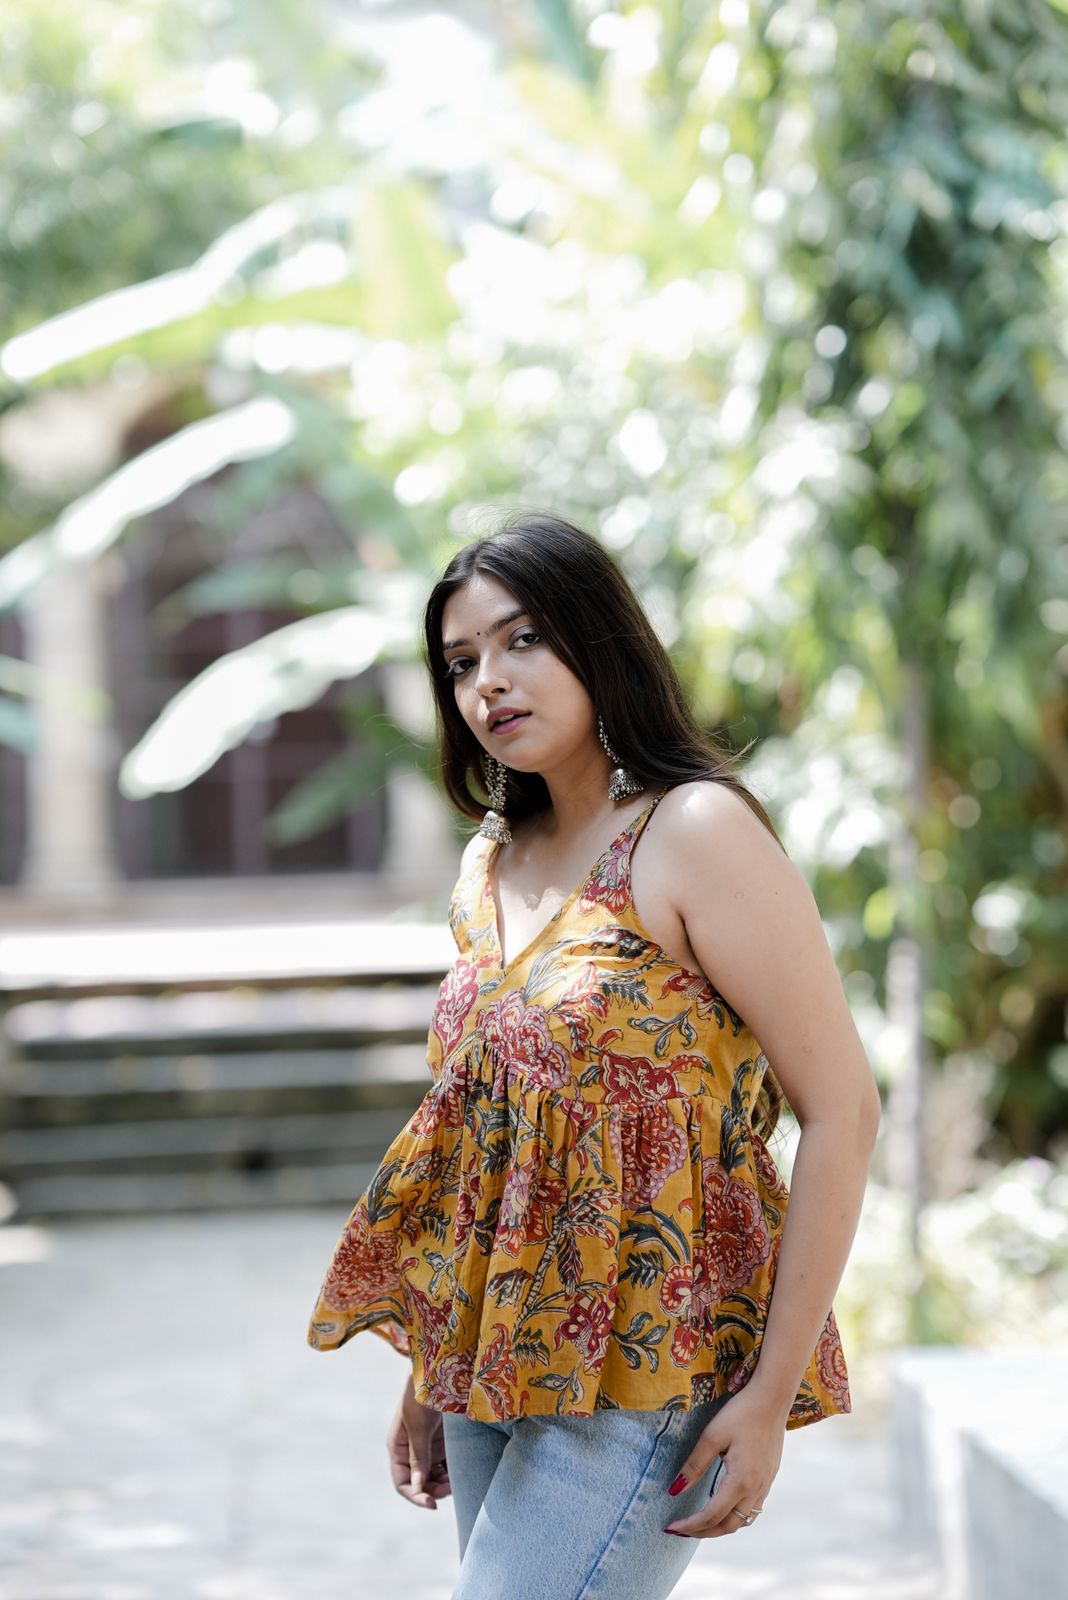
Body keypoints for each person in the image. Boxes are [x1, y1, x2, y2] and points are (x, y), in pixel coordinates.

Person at [307, 511, 882, 1600]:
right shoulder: (491, 859)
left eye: (524, 640)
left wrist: (765, 1397)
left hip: (656, 1351)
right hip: (503, 1354)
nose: (491, 683)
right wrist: (438, 1368)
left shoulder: (695, 831)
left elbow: (844, 1108)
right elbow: (474, 1140)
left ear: (598, 638)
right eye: (463, 661)